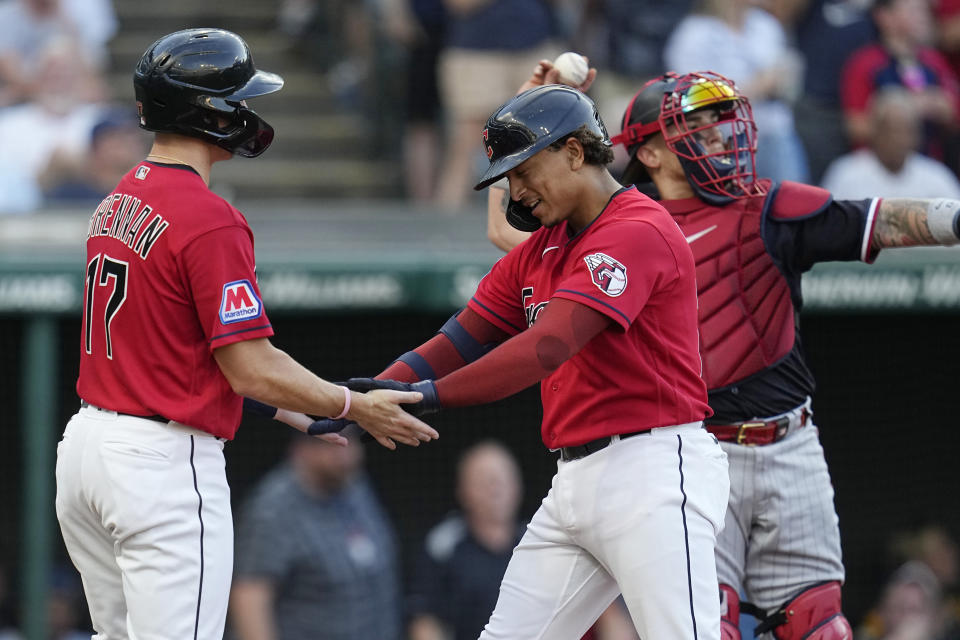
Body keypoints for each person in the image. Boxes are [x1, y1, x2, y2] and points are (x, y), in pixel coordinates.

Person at [487, 66, 960, 639]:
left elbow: (876, 220)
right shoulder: (607, 226)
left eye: (717, 120)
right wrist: (520, 118)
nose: (716, 134)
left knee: (821, 628)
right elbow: (508, 235)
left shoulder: (770, 206)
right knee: (712, 626)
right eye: (694, 124)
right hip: (693, 452)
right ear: (653, 154)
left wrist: (953, 217)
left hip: (789, 441)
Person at [53, 28, 438, 640]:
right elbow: (250, 366)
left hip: (88, 452)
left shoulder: (119, 197)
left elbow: (173, 348)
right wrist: (352, 404)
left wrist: (296, 413)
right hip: (161, 461)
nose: (246, 110)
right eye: (236, 98)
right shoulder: (210, 217)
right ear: (205, 111)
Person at [316, 82, 731, 639]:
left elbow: (548, 346)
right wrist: (350, 400)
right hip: (575, 479)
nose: (517, 191)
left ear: (575, 152)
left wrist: (427, 398)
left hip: (653, 470)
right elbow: (456, 342)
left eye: (523, 170)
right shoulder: (544, 247)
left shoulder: (638, 228)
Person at [230, 432, 401, 640]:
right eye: (333, 445)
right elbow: (250, 596)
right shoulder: (273, 509)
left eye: (351, 442)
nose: (346, 455)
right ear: (301, 449)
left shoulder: (353, 485)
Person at [407, 440, 527, 640]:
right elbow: (425, 621)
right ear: (462, 491)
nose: (495, 490)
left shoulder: (538, 543)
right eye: (484, 481)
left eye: (502, 480)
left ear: (518, 486)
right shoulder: (442, 546)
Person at [840, 0, 960, 169]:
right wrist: (905, 111)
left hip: (927, 167)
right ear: (884, 17)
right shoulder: (865, 63)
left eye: (924, 10)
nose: (923, 16)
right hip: (878, 167)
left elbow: (954, 112)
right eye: (913, 10)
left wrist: (942, 107)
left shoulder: (934, 61)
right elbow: (854, 125)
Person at [821, 87, 960, 199]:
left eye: (907, 131)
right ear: (876, 131)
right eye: (893, 130)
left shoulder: (937, 176)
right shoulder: (846, 174)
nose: (900, 140)